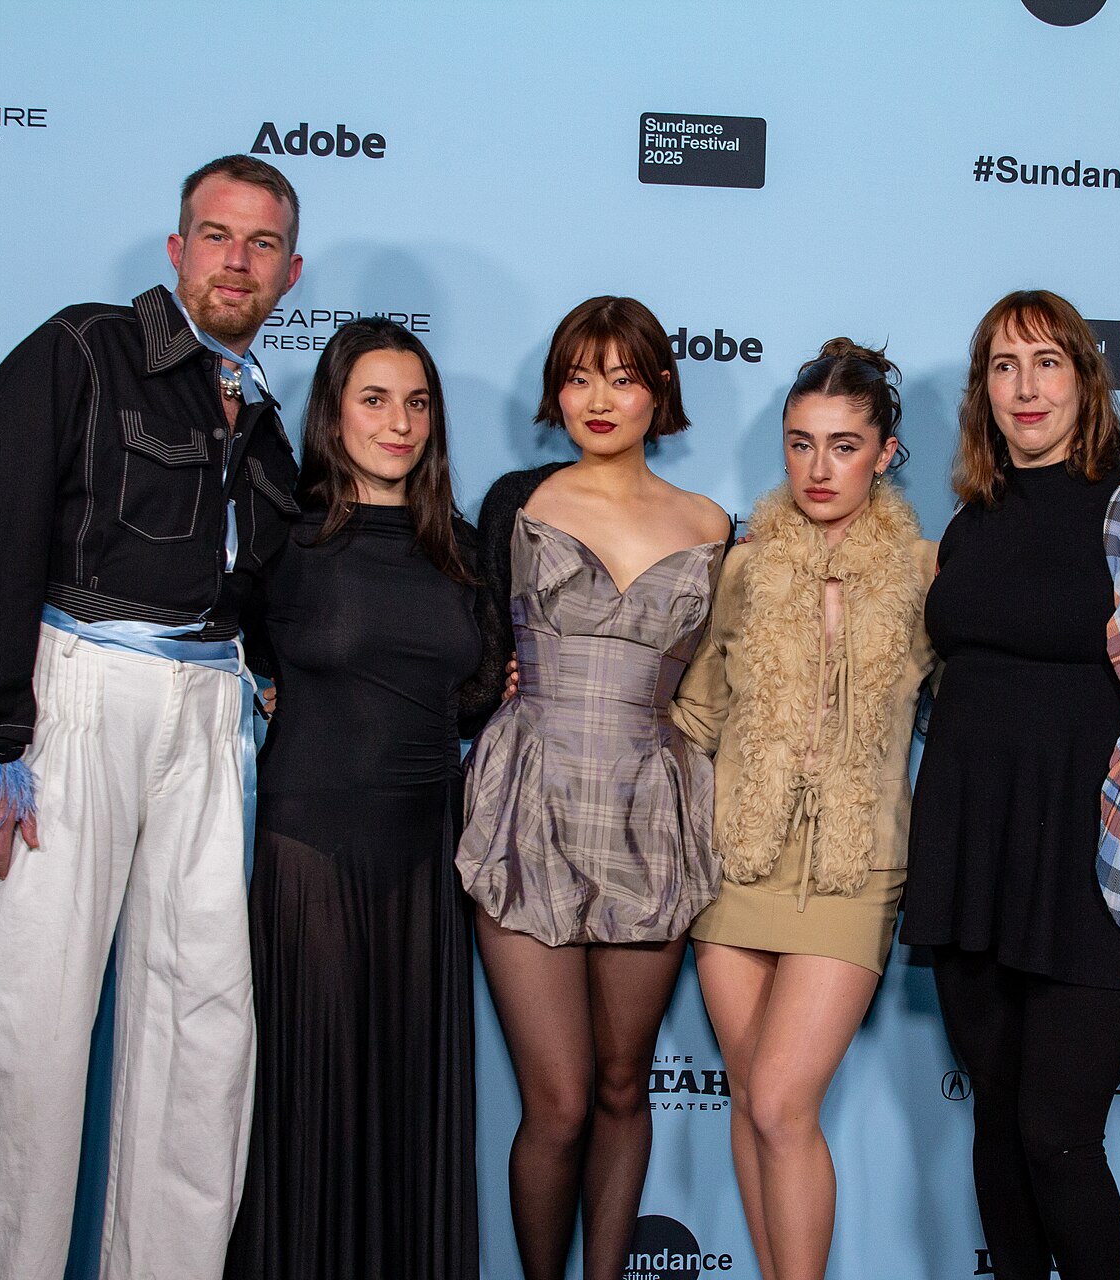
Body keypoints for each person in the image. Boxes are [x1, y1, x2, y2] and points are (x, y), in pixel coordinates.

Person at [0, 154, 304, 1278]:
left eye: (263, 243)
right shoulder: (84, 349)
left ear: (290, 269)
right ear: (177, 248)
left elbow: (263, 586)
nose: (238, 259)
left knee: (203, 1026)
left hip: (206, 708)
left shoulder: (267, 422)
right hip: (75, 688)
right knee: (24, 1024)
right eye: (216, 234)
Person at [901, 290, 1120, 1280]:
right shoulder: (971, 517)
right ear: (982, 393)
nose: (1025, 386)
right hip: (973, 855)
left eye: (1047, 361)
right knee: (995, 1123)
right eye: (1003, 366)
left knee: (1055, 1133)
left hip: (1093, 869)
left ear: (1088, 378)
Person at [455, 296, 733, 1280]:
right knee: (561, 1098)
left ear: (661, 389)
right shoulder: (514, 505)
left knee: (623, 1082)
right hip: (524, 802)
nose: (599, 398)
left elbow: (725, 684)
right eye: (579, 376)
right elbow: (461, 650)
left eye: (622, 375)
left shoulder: (713, 526)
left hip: (649, 813)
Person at [224, 319, 503, 1279]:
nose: (400, 423)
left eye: (417, 403)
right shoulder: (284, 540)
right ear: (332, 413)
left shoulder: (462, 548)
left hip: (428, 858)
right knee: (318, 1106)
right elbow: (223, 654)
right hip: (312, 853)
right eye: (375, 400)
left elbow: (472, 691)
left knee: (408, 1108)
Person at [671, 339, 935, 1280]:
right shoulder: (740, 567)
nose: (820, 468)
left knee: (784, 1102)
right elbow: (698, 710)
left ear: (887, 451)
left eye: (845, 445)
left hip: (853, 869)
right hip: (735, 860)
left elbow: (988, 700)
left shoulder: (925, 575)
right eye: (800, 444)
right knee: (749, 1098)